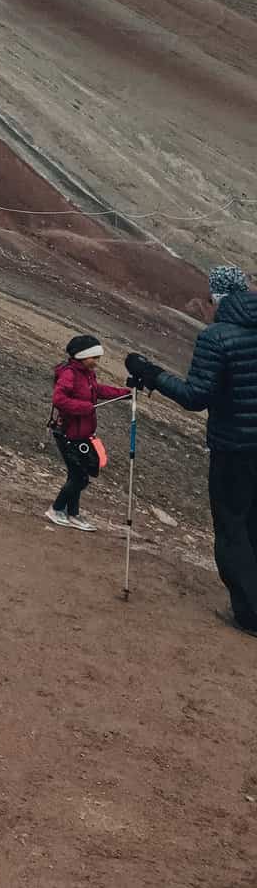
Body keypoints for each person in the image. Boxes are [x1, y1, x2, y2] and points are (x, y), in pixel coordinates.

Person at [126, 265, 257, 636]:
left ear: (217, 296)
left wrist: (151, 375)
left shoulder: (216, 337)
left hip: (233, 448)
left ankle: (250, 616)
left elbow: (195, 396)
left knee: (233, 527)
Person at [45, 337, 129, 530]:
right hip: (68, 434)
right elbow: (59, 399)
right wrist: (84, 407)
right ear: (82, 356)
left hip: (80, 434)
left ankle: (72, 514)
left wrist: (124, 393)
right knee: (79, 477)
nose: (96, 362)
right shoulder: (69, 374)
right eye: (94, 357)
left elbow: (98, 390)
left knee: (77, 475)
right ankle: (56, 509)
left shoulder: (86, 373)